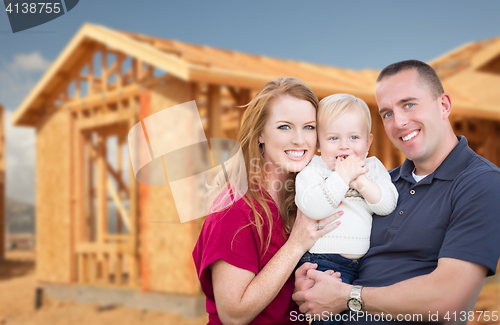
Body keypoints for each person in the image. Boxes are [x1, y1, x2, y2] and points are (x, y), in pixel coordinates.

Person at [292, 60, 500, 324]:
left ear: (444, 105)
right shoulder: (382, 184)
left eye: (409, 104)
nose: (399, 121)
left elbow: (449, 301)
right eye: (387, 113)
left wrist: (347, 296)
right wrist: (311, 281)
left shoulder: (482, 183)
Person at [193, 77, 344, 325]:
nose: (300, 139)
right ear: (261, 133)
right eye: (285, 127)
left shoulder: (305, 197)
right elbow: (233, 314)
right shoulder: (233, 208)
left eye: (309, 127)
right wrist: (296, 245)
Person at [294, 94, 398, 324]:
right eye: (333, 138)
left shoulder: (372, 168)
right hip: (323, 263)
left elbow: (387, 205)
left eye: (354, 137)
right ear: (318, 144)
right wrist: (341, 177)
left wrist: (361, 182)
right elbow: (313, 207)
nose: (344, 145)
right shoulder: (313, 170)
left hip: (365, 265)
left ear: (368, 142)